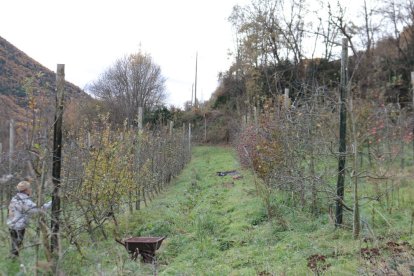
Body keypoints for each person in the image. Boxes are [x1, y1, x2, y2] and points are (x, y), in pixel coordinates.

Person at [7, 181, 51, 257]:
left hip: (11, 225)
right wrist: (52, 202)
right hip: (18, 226)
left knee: (14, 244)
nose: (31, 189)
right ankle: (13, 260)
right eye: (30, 188)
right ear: (26, 190)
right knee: (17, 245)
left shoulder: (15, 198)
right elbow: (38, 210)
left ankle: (13, 259)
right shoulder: (25, 201)